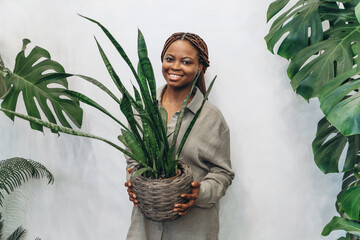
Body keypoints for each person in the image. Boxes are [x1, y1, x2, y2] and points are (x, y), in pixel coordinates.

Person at [125, 32, 234, 240]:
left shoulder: (211, 118)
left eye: (186, 61)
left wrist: (199, 193)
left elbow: (223, 173)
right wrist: (133, 182)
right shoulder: (143, 109)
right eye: (169, 59)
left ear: (199, 67)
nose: (175, 66)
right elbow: (132, 159)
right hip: (144, 229)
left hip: (193, 230)